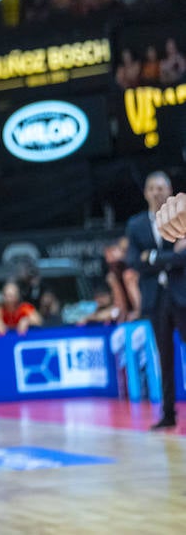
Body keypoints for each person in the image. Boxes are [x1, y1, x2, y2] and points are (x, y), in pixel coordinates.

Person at [127, 170, 186, 431]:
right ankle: (168, 414)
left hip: (182, 296)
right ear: (145, 193)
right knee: (164, 357)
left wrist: (151, 258)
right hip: (156, 299)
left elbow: (184, 257)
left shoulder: (182, 218)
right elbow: (132, 261)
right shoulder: (136, 225)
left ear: (170, 190)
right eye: (152, 188)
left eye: (161, 188)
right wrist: (165, 258)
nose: (156, 192)